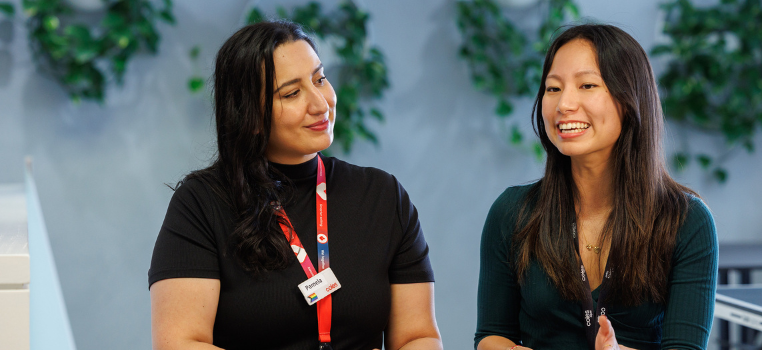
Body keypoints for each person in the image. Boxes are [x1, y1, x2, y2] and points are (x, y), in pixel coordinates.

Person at [149, 20, 442, 350]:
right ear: (250, 116)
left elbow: (420, 337)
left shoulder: (382, 195)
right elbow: (179, 342)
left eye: (320, 79)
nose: (320, 104)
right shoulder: (201, 203)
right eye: (291, 93)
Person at [475, 24, 717, 350]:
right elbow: (490, 336)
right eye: (552, 88)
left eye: (587, 85)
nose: (564, 104)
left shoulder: (686, 220)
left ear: (630, 99)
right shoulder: (512, 211)